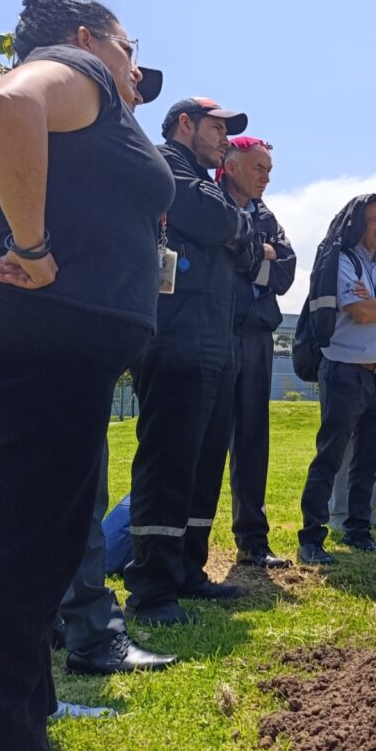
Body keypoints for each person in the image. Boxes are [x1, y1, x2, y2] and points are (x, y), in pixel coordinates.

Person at [0, 0, 172, 751]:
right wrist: (32, 248)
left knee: (47, 532)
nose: (135, 66)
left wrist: (16, 232)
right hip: (45, 334)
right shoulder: (75, 68)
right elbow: (7, 105)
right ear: (89, 35)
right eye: (131, 46)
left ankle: (26, 702)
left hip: (52, 338)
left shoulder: (83, 104)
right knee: (27, 541)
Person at [123, 97, 255, 628]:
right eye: (218, 128)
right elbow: (215, 220)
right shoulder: (165, 165)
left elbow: (242, 236)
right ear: (186, 125)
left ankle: (188, 572)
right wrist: (235, 228)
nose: (224, 138)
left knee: (204, 463)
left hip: (216, 341)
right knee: (168, 460)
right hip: (175, 337)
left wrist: (236, 230)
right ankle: (152, 588)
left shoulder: (209, 183)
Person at [295, 190, 376, 566]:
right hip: (344, 371)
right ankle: (311, 538)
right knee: (330, 456)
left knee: (369, 460)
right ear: (357, 223)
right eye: (374, 221)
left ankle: (358, 530)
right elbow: (359, 312)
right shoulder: (342, 260)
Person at [204, 133, 294, 573]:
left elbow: (287, 269)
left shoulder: (266, 215)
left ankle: (253, 542)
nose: (266, 178)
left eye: (270, 171)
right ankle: (188, 548)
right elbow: (223, 262)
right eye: (259, 169)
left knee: (253, 439)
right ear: (232, 165)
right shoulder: (210, 202)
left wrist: (251, 259)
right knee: (207, 439)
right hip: (215, 334)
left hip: (257, 339)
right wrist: (262, 260)